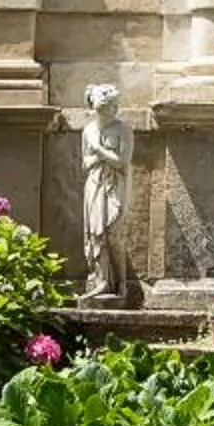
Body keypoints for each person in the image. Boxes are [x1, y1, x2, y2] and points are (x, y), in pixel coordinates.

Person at [80, 83, 133, 303]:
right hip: (94, 184)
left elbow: (122, 161)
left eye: (114, 106)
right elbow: (85, 163)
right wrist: (101, 155)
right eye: (110, 106)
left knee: (114, 234)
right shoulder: (88, 130)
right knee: (96, 233)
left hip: (115, 184)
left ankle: (121, 282)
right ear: (98, 109)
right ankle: (101, 281)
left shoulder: (123, 130)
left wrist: (99, 150)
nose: (115, 110)